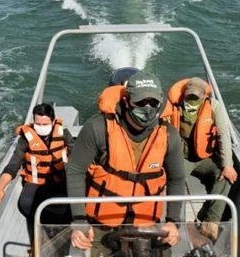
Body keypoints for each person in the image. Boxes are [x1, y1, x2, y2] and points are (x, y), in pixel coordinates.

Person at [66, 72, 186, 256]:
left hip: (147, 224)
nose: (147, 108)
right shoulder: (97, 128)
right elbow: (75, 171)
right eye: (140, 102)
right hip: (101, 225)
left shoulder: (169, 135)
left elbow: (177, 178)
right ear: (127, 100)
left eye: (153, 103)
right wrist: (79, 221)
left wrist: (173, 222)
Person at [161, 77, 238, 242]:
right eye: (189, 96)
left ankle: (209, 222)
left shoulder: (214, 107)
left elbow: (224, 135)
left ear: (204, 96)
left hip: (205, 157)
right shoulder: (173, 107)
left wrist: (228, 165)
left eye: (196, 97)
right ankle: (174, 225)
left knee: (225, 177)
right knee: (175, 181)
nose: (192, 100)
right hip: (180, 158)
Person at [0, 103, 73, 249]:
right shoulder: (25, 139)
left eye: (45, 124)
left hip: (60, 180)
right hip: (35, 182)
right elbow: (12, 166)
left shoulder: (63, 133)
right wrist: (0, 189)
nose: (41, 127)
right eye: (37, 123)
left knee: (72, 206)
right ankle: (38, 236)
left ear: (53, 121)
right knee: (25, 204)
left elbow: (77, 153)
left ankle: (63, 233)